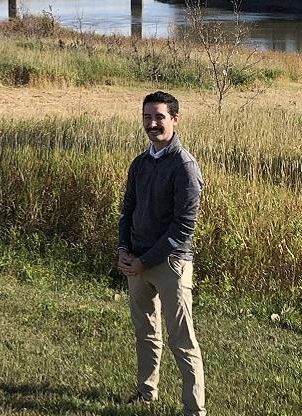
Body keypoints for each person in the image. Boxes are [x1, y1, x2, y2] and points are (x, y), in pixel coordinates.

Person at [117, 91, 206, 415]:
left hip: (170, 264)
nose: (152, 124)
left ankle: (194, 409)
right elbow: (127, 210)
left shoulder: (185, 167)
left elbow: (183, 227)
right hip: (137, 262)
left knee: (182, 341)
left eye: (159, 117)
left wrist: (144, 261)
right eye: (147, 117)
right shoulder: (140, 164)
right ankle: (146, 392)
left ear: (174, 120)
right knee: (145, 331)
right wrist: (124, 250)